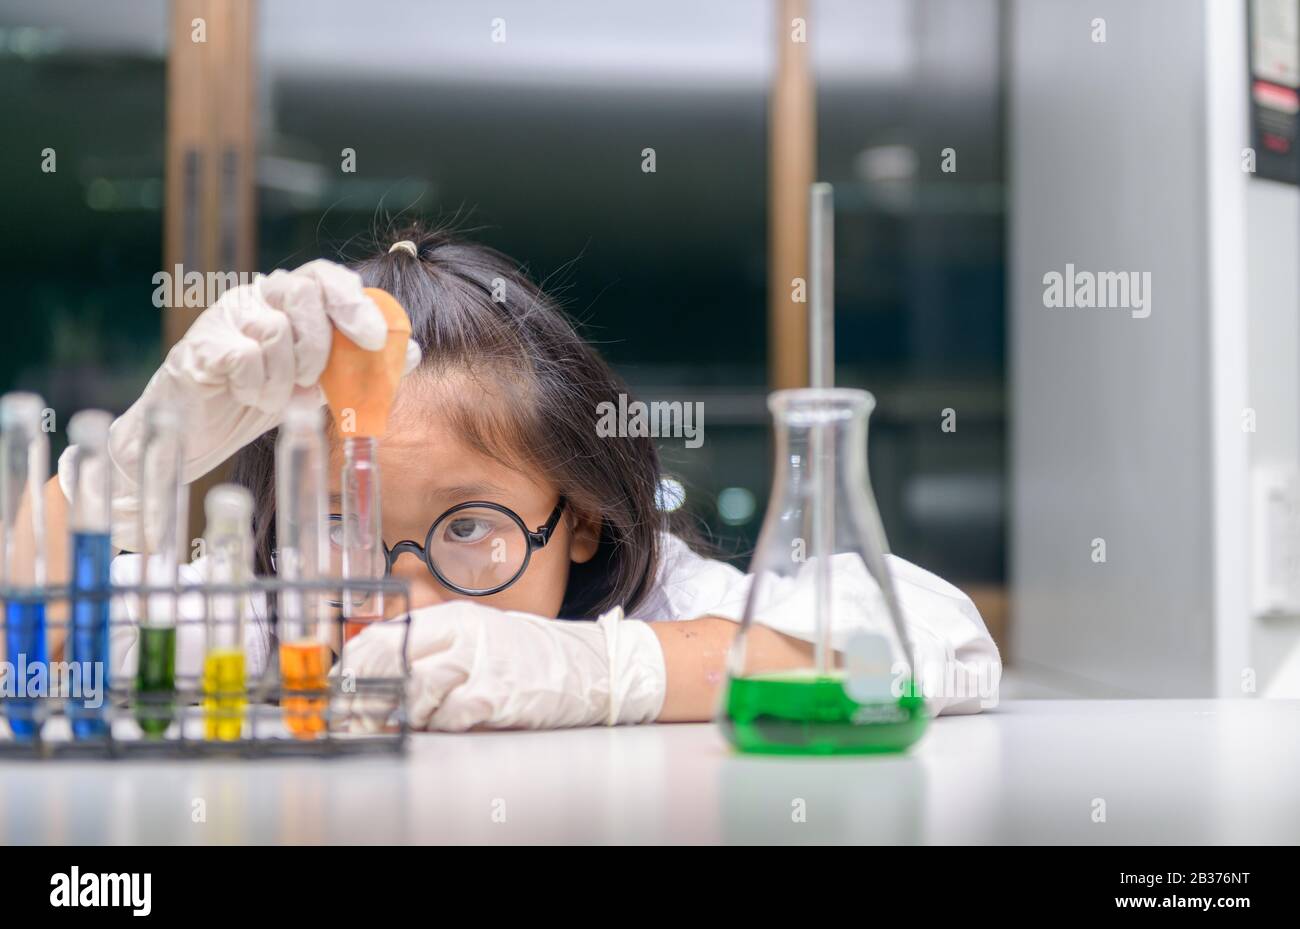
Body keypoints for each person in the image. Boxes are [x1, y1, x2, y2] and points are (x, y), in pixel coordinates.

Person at [41, 224, 1001, 731]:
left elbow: (935, 642)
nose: (402, 599)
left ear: (577, 519)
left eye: (467, 527)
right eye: (344, 524)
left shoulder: (666, 603)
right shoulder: (278, 618)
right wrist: (129, 468)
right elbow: (28, 649)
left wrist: (599, 674)